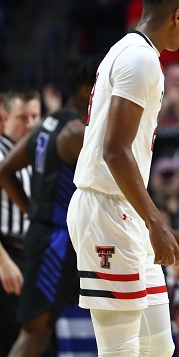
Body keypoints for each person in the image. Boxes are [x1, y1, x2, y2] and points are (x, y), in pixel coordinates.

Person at [66, 0, 179, 355]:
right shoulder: (139, 59)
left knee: (158, 345)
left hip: (125, 210)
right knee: (121, 348)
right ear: (177, 15)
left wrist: (154, 221)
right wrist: (157, 222)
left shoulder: (129, 51)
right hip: (105, 210)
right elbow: (115, 150)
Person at [0, 57, 98, 357]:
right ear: (86, 91)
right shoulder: (75, 133)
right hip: (56, 242)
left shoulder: (46, 124)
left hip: (46, 237)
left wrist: (32, 212)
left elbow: (5, 171)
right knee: (33, 335)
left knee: (41, 336)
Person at [0, 87, 41, 356]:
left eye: (34, 116)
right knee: (14, 341)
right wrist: (2, 262)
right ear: (4, 118)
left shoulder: (39, 152)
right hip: (8, 254)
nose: (29, 124)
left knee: (41, 340)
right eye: (21, 117)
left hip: (35, 254)